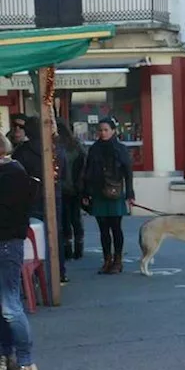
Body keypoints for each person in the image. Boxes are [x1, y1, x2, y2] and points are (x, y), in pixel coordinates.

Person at [0, 132, 39, 370]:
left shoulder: (12, 174)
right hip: (6, 242)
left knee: (10, 306)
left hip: (6, 244)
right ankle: (7, 359)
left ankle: (26, 363)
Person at [81, 117, 134, 275]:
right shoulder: (94, 149)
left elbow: (128, 172)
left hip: (115, 191)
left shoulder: (120, 148)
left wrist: (130, 193)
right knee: (103, 229)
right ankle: (107, 260)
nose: (103, 133)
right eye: (100, 130)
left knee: (116, 228)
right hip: (98, 191)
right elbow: (88, 172)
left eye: (106, 130)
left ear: (113, 131)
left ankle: (118, 260)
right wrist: (86, 192)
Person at [56, 120, 86, 262]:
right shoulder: (76, 145)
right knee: (75, 218)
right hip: (74, 186)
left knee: (66, 219)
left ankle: (68, 248)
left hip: (64, 186)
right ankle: (78, 248)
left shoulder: (56, 146)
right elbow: (84, 163)